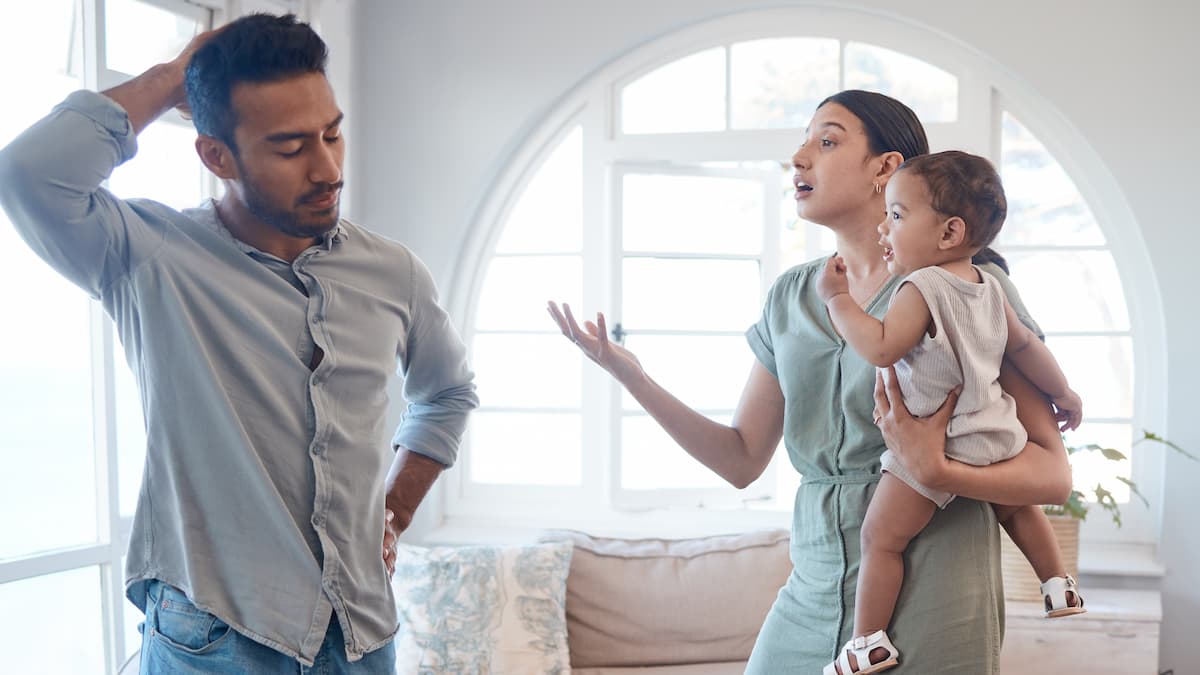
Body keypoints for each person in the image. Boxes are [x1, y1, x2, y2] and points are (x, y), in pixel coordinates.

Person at [0, 13, 477, 674]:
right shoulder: (150, 255)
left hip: (364, 634)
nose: (328, 167)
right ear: (216, 155)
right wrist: (173, 80)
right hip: (216, 638)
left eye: (332, 133)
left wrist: (392, 514)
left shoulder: (393, 271)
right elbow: (30, 173)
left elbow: (447, 392)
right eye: (290, 147)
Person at [547, 90, 1072, 674]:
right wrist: (634, 377)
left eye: (826, 141)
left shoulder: (974, 288)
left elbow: (1052, 475)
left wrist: (937, 470)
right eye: (803, 142)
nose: (798, 158)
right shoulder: (791, 298)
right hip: (813, 587)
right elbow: (741, 459)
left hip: (939, 593)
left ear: (886, 169)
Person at [814, 150, 1086, 675]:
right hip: (996, 432)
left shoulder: (921, 287)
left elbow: (881, 346)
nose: (883, 228)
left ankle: (867, 643)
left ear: (948, 233)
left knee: (881, 540)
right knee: (1015, 508)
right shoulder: (987, 286)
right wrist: (1065, 393)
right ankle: (1058, 583)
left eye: (896, 215)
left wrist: (836, 300)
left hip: (937, 445)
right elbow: (1025, 348)